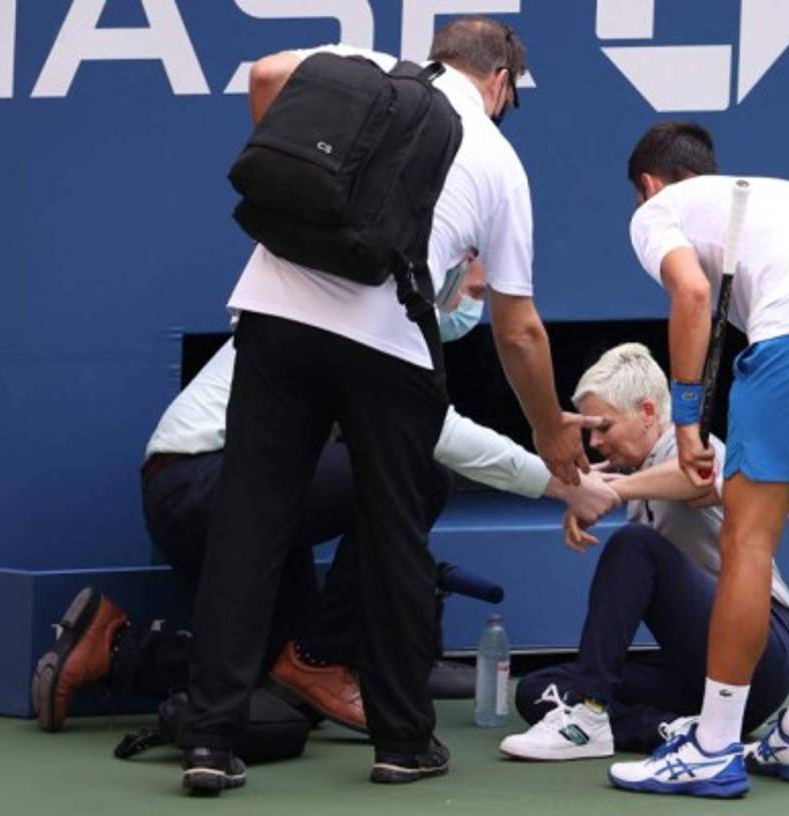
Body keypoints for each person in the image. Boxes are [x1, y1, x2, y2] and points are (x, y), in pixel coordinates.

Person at [179, 18, 591, 791]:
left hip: (273, 315)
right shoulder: (499, 160)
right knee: (396, 534)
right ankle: (403, 741)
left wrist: (318, 193)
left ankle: (208, 741)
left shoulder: (363, 69)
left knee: (248, 526)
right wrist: (546, 426)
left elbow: (266, 73)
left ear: (438, 56)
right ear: (500, 82)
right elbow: (519, 330)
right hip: (389, 342)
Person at [31, 262, 619, 736]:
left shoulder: (383, 319)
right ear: (445, 265)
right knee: (418, 470)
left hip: (234, 497)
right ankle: (321, 656)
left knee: (269, 687)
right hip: (199, 482)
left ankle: (113, 646)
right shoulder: (374, 318)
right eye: (474, 285)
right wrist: (564, 483)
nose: (478, 300)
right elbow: (435, 433)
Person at [606, 123, 789, 798]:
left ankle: (712, 747)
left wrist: (686, 419)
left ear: (650, 185)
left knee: (748, 539)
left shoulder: (658, 211)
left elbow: (692, 294)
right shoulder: (784, 195)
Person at [498, 343, 789, 761]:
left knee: (633, 545)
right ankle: (665, 730)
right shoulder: (643, 475)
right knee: (540, 691)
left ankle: (590, 714)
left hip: (763, 656)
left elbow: (700, 480)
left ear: (648, 412)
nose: (596, 441)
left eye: (604, 427)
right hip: (699, 672)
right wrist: (599, 493)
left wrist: (609, 492)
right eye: (591, 432)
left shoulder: (691, 445)